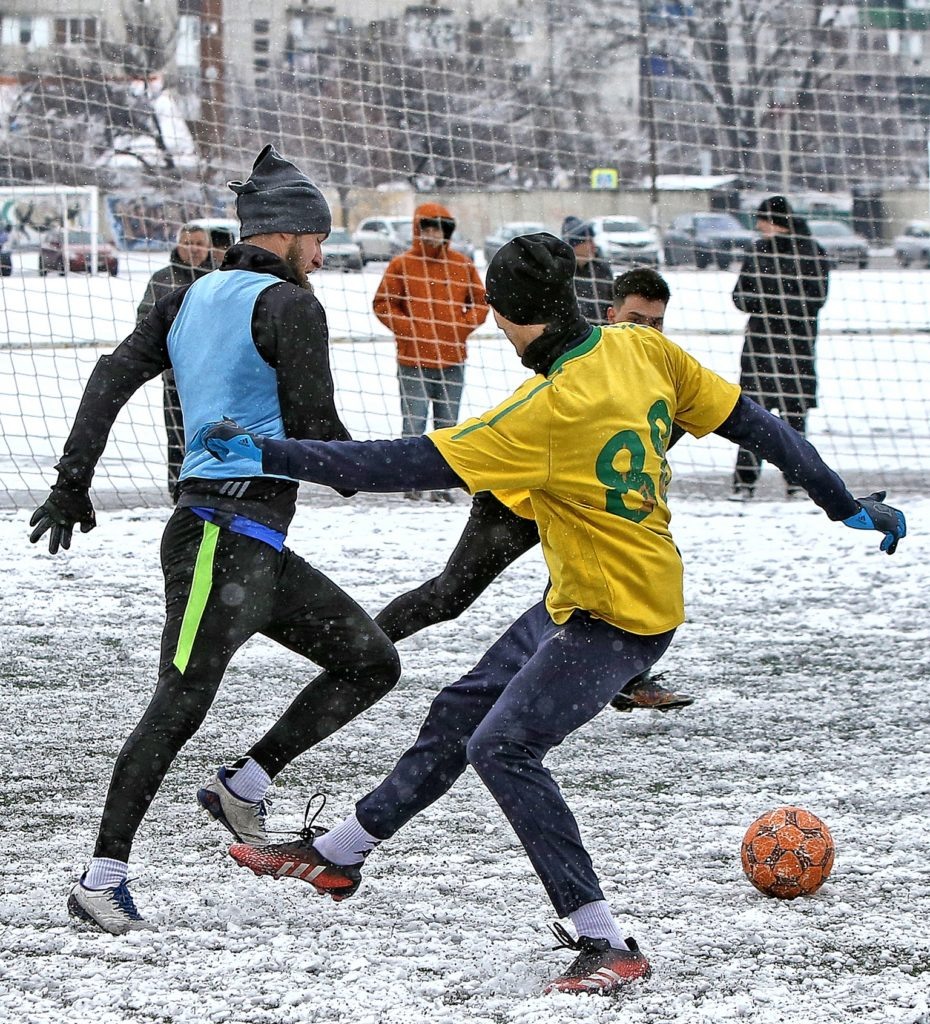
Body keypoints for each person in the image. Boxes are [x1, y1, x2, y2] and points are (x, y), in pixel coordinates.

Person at [198, 233, 905, 996]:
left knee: (503, 748)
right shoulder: (643, 350)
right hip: (593, 599)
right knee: (460, 712)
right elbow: (756, 424)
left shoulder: (539, 412)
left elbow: (388, 465)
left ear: (503, 317)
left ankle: (604, 941)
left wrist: (268, 453)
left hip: (619, 621)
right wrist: (845, 506)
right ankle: (341, 853)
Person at [28, 144, 401, 936]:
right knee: (180, 701)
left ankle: (246, 784)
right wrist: (410, 463)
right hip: (216, 540)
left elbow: (108, 376)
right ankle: (102, 879)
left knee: (372, 662)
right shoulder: (292, 305)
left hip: (254, 547)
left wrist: (74, 479)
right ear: (293, 234)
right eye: (320, 241)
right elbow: (317, 435)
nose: (324, 257)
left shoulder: (184, 298)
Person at [373, 266, 693, 713]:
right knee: (450, 596)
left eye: (656, 323)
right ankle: (362, 645)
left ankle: (627, 678)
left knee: (598, 594)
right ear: (610, 314)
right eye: (636, 320)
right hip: (516, 502)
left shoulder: (662, 370)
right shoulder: (582, 357)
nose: (647, 331)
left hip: (576, 507)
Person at [372, 202, 488, 501]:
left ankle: (442, 485)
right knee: (414, 423)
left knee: (447, 426)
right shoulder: (402, 264)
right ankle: (411, 482)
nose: (433, 234)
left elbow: (480, 302)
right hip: (413, 360)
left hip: (452, 358)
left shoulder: (462, 264)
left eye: (438, 228)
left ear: (446, 232)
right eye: (427, 228)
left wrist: (460, 326)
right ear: (418, 230)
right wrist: (409, 328)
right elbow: (383, 303)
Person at [732, 195, 831, 499]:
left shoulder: (810, 252)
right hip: (762, 350)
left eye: (762, 221)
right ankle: (745, 482)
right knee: (754, 421)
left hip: (792, 350)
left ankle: (797, 482)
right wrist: (768, 304)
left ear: (774, 221)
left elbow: (816, 298)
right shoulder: (758, 251)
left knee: (792, 421)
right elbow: (739, 296)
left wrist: (771, 305)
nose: (759, 227)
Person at [136, 222, 212, 500]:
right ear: (178, 244)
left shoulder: (221, 277)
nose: (193, 249)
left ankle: (214, 491)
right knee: (179, 437)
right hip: (177, 377)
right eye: (187, 243)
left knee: (216, 435)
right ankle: (179, 493)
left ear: (208, 247)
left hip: (218, 377)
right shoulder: (162, 279)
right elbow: (145, 324)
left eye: (199, 243)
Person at [561, 215, 614, 325]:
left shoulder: (602, 269)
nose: (594, 246)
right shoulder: (561, 272)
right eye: (588, 241)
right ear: (575, 245)